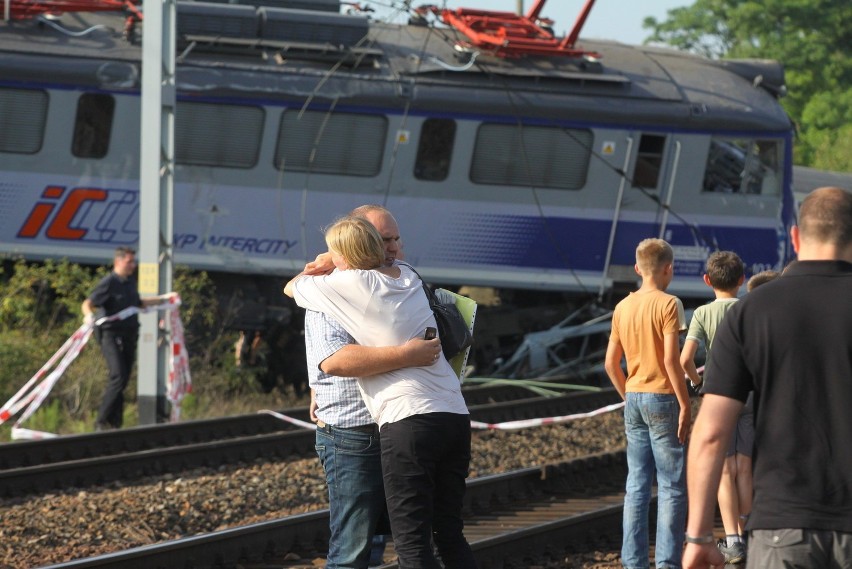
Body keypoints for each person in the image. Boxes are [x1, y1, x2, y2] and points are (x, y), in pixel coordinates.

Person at [285, 216, 477, 569]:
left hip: (407, 421)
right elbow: (330, 360)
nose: (392, 247)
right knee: (448, 534)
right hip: (452, 414)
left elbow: (292, 287)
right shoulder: (408, 277)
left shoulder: (339, 286)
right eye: (384, 240)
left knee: (410, 545)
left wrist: (325, 261)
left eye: (395, 239)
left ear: (341, 254)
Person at [683, 187, 852, 569]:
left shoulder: (751, 311)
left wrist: (698, 535)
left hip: (782, 528)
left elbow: (710, 434)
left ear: (795, 237)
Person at [603, 237, 691, 569]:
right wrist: (685, 403)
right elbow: (672, 360)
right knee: (670, 485)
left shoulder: (622, 307)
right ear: (669, 268)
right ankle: (668, 563)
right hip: (663, 397)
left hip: (635, 397)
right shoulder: (670, 304)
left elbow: (611, 364)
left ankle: (633, 563)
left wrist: (630, 396)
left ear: (638, 268)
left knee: (636, 485)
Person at [679, 251, 746, 564]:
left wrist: (697, 384)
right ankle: (749, 532)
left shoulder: (702, 314)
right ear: (742, 280)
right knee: (744, 467)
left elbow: (685, 359)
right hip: (750, 395)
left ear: (707, 280)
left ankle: (732, 539)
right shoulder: (749, 307)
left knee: (723, 471)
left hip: (719, 394)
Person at [81, 246, 169, 431]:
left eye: (133, 262)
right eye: (129, 262)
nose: (133, 265)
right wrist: (88, 315)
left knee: (124, 378)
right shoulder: (109, 282)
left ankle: (115, 422)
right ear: (118, 262)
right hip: (111, 334)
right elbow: (88, 303)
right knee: (117, 374)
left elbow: (139, 303)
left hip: (129, 334)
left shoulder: (129, 283)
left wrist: (165, 299)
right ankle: (101, 420)